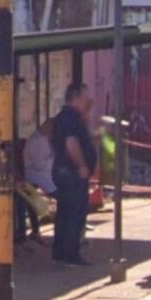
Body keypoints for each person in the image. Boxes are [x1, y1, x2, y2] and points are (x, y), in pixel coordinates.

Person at [51, 83, 96, 266]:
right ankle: (71, 253)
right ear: (76, 97)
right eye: (85, 96)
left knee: (64, 211)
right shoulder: (71, 118)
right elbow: (71, 143)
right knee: (75, 212)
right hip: (72, 172)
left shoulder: (66, 117)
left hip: (63, 170)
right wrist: (81, 166)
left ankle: (60, 251)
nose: (89, 100)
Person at [20, 119, 57, 245]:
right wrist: (54, 159)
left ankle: (35, 230)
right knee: (59, 196)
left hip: (42, 174)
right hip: (36, 175)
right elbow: (40, 164)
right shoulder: (37, 141)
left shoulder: (44, 139)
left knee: (32, 206)